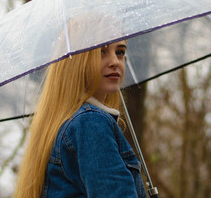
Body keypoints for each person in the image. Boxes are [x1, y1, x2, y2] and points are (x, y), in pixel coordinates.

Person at [13, 39, 147, 198]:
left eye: (120, 52)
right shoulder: (90, 123)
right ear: (76, 59)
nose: (114, 62)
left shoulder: (69, 122)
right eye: (101, 52)